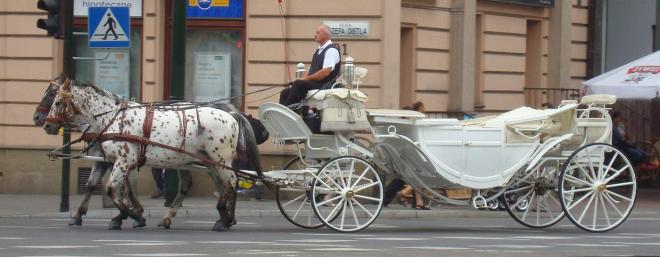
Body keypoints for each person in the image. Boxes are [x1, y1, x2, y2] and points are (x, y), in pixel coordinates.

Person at [382, 101, 430, 210]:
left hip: (406, 155)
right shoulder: (405, 125)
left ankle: (416, 202)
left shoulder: (404, 124)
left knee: (404, 179)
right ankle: (417, 202)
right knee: (413, 178)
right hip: (406, 155)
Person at [279, 24, 341, 107]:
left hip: (324, 85)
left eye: (318, 32)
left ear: (326, 35)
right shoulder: (317, 51)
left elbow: (325, 72)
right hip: (315, 83)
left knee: (298, 84)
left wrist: (306, 78)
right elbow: (314, 71)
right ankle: (282, 112)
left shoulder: (331, 50)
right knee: (285, 92)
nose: (315, 35)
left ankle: (287, 111)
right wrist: (304, 78)